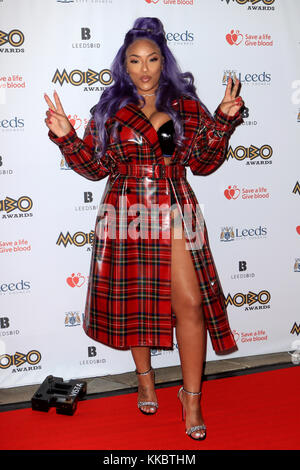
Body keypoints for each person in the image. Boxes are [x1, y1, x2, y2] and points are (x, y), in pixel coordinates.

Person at [44, 17, 243, 441]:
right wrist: (65, 138)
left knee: (190, 304)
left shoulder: (185, 104)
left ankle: (191, 398)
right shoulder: (111, 108)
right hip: (125, 209)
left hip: (174, 205)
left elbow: (204, 164)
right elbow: (96, 168)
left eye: (152, 58)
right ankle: (146, 377)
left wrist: (224, 120)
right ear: (124, 64)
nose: (144, 67)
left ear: (163, 61)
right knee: (136, 300)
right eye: (135, 60)